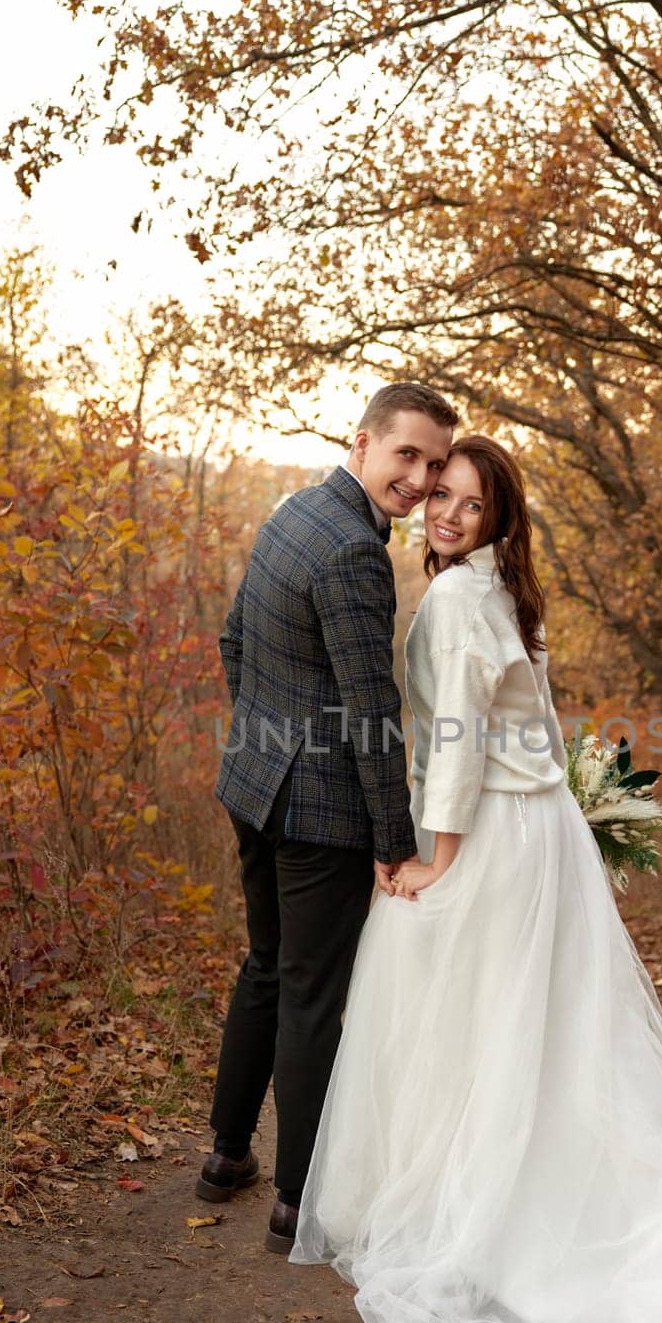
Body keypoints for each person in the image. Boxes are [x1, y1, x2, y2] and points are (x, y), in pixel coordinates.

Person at [290, 434, 662, 1323]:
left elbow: (453, 742)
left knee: (457, 1003)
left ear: (497, 521)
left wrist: (432, 861)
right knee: (543, 1027)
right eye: (438, 495)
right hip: (547, 838)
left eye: (468, 505)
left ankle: (482, 1206)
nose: (446, 514)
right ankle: (539, 1177)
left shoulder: (455, 597)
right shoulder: (503, 592)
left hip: (493, 836)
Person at [198, 382, 458, 1253]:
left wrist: (266, 741)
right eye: (407, 456)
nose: (420, 478)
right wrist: (395, 839)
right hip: (317, 815)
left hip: (252, 788)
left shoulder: (292, 512)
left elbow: (234, 641)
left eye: (432, 462)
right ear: (364, 443)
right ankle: (295, 1202)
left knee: (266, 970)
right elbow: (368, 710)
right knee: (311, 997)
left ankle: (225, 1157)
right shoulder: (352, 551)